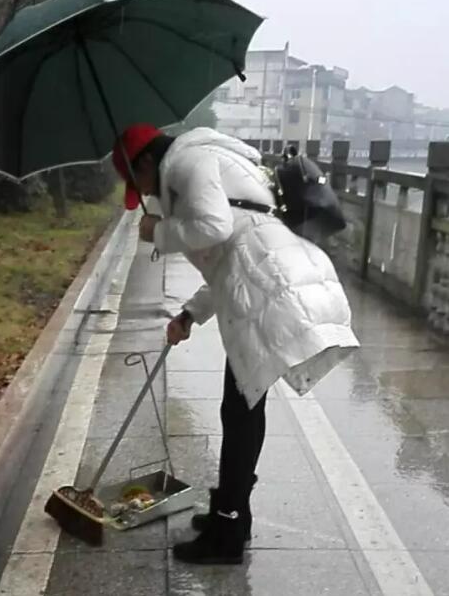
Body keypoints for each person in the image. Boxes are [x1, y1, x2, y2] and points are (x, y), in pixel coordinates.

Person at [112, 124, 359, 565]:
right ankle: (232, 515)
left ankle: (227, 532)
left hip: (270, 293)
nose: (145, 195)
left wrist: (159, 231)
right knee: (242, 411)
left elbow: (212, 227)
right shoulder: (211, 161)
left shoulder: (188, 161)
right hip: (269, 284)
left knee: (241, 416)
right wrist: (190, 314)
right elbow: (231, 254)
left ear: (146, 162)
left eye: (139, 183)